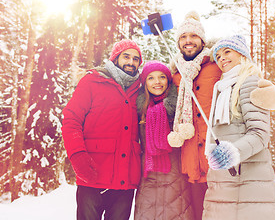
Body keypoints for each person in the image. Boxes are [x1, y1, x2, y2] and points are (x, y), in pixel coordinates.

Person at [202, 35, 275, 220]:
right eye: (218, 56)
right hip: (224, 179)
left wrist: (232, 153)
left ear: (242, 54)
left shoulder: (248, 83)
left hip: (247, 178)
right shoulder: (222, 89)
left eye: (227, 52)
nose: (222, 58)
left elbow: (260, 133)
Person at [62, 39, 143, 220]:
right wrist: (77, 155)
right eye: (126, 56)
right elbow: (71, 120)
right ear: (115, 58)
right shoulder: (92, 81)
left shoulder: (140, 89)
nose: (131, 62)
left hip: (125, 181)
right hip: (93, 174)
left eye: (136, 59)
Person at [166, 11, 222, 220]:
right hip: (192, 168)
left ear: (202, 40)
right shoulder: (175, 75)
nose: (188, 41)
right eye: (183, 37)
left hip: (218, 163)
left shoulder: (217, 66)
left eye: (193, 36)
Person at [134, 60, 194, 220]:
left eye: (162, 77)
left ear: (168, 80)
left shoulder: (179, 107)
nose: (157, 82)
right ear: (144, 82)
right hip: (148, 176)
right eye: (151, 78)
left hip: (175, 175)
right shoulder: (139, 109)